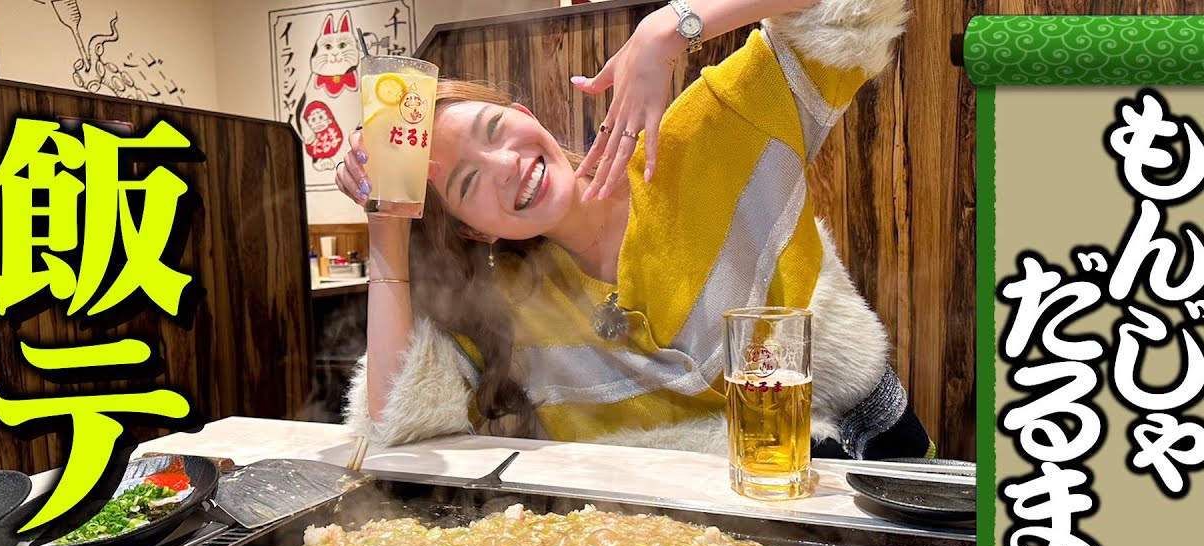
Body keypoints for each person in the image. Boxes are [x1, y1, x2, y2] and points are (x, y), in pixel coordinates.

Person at [334, 0, 933, 460]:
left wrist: (672, 26)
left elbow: (854, 12)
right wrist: (385, 222)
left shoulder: (706, 136)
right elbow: (394, 423)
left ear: (524, 115)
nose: (505, 164)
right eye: (467, 184)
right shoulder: (506, 306)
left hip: (860, 463)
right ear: (476, 233)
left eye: (495, 130)